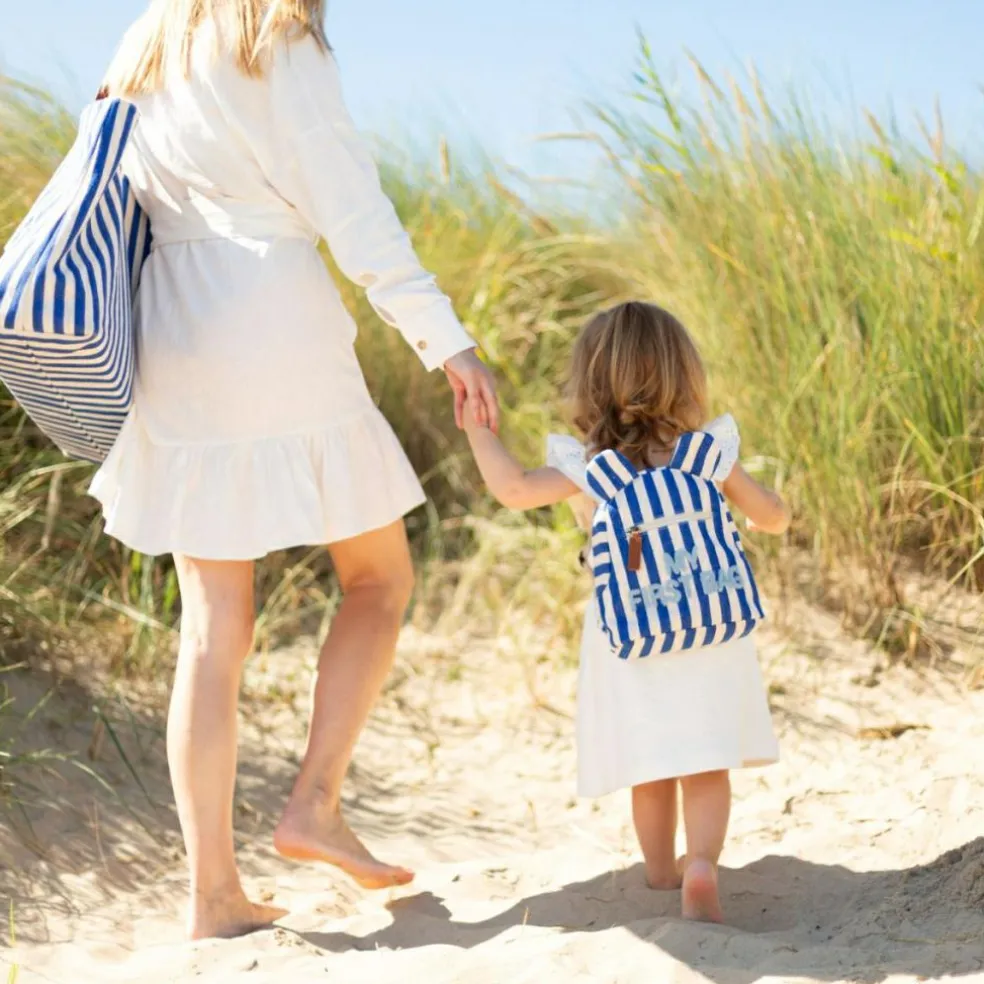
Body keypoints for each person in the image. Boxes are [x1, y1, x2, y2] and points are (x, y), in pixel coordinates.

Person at [93, 0, 498, 941]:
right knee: (379, 578)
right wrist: (449, 344)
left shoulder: (146, 38)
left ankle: (212, 895)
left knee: (211, 627)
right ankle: (312, 802)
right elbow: (354, 210)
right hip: (272, 317)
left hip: (173, 333)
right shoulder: (275, 35)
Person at [461, 301, 789, 923]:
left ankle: (660, 871)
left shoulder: (589, 465)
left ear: (589, 383)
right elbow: (771, 515)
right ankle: (703, 866)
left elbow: (512, 491)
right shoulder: (705, 453)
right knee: (706, 760)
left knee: (653, 761)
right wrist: (765, 511)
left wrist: (478, 429)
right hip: (710, 622)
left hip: (629, 631)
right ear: (683, 376)